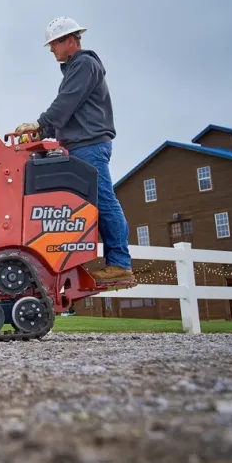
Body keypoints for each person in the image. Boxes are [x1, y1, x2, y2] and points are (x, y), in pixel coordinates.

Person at [14, 17, 135, 286]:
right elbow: (69, 110)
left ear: (70, 40)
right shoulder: (76, 69)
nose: (51, 50)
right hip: (82, 145)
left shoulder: (83, 65)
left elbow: (65, 103)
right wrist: (42, 131)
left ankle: (120, 264)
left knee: (103, 202)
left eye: (54, 44)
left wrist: (40, 124)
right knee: (85, 207)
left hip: (89, 146)